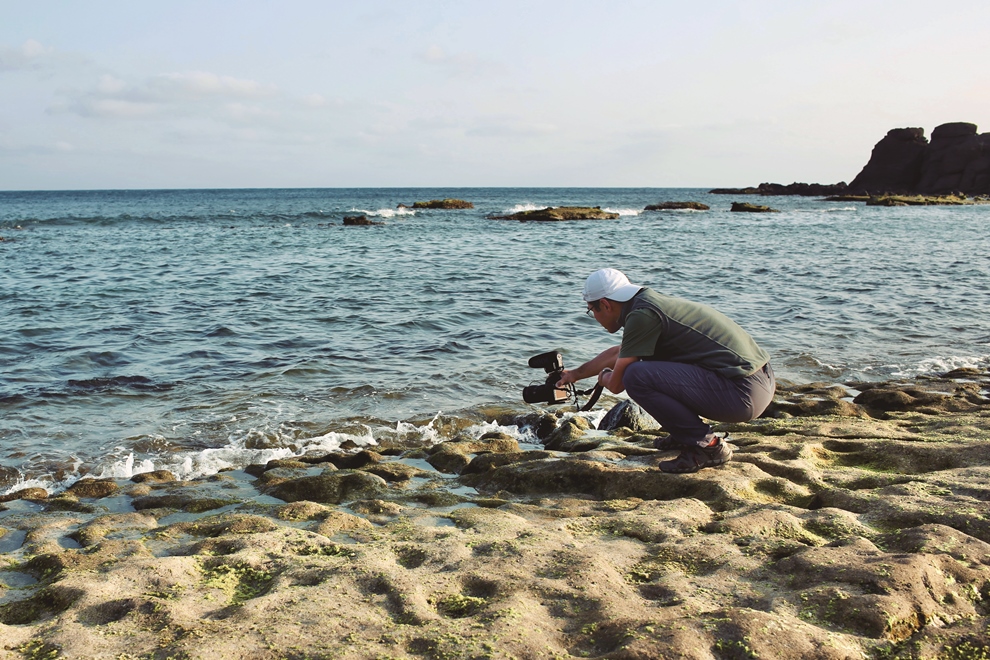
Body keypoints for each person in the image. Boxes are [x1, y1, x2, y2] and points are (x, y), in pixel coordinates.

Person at [556, 268, 775, 473]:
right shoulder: (645, 304)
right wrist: (574, 374)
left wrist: (603, 377)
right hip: (759, 380)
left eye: (591, 310)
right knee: (644, 369)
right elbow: (619, 353)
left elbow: (617, 384)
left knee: (636, 376)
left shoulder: (642, 316)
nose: (593, 316)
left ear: (605, 304)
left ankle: (708, 446)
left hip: (742, 394)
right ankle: (684, 435)